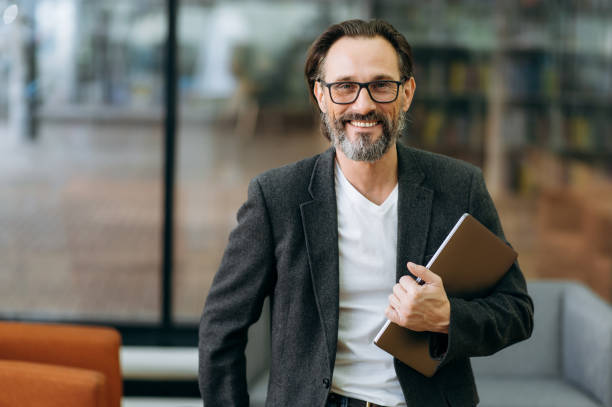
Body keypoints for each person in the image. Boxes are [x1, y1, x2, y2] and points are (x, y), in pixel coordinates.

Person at [199, 19, 533, 407]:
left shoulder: (460, 187)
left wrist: (447, 316)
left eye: (381, 85)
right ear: (320, 95)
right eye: (344, 86)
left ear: (406, 92)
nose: (364, 104)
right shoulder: (277, 198)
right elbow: (220, 330)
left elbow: (517, 311)